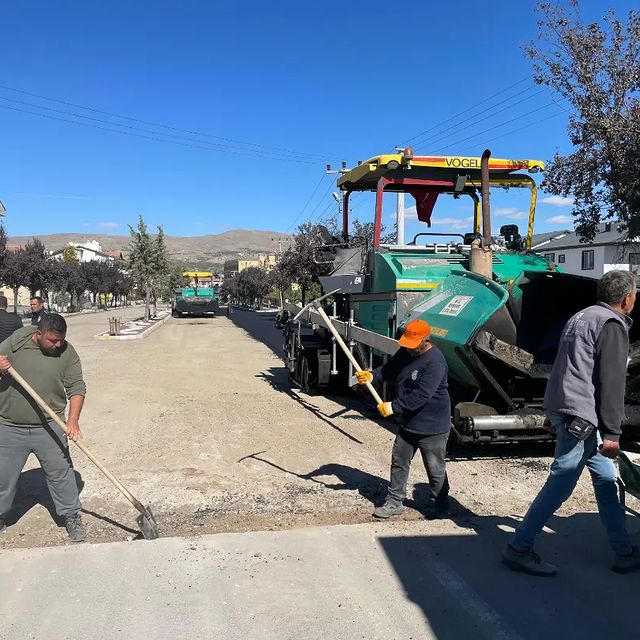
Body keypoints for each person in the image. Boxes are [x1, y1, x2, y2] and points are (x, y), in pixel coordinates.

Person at [503, 270, 640, 576]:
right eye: (635, 294)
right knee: (561, 483)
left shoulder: (581, 317)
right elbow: (612, 382)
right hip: (582, 416)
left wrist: (554, 411)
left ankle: (623, 550)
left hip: (567, 409)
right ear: (627, 298)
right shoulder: (612, 325)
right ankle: (519, 548)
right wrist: (613, 433)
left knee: (606, 480)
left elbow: (563, 365)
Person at [0, 313, 87, 542]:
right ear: (38, 335)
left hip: (49, 426)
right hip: (9, 425)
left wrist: (73, 420)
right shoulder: (17, 342)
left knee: (61, 473)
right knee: (3, 477)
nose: (58, 345)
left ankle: (71, 515)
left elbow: (77, 386)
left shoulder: (67, 352)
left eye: (61, 340)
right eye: (52, 341)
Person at [356, 319, 451, 519]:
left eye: (413, 345)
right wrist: (372, 376)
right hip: (408, 423)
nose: (409, 349)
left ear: (426, 340)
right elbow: (389, 369)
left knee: (435, 469)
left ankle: (441, 505)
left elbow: (421, 396)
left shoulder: (435, 362)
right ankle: (394, 501)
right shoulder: (407, 352)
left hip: (432, 426)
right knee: (399, 461)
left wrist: (393, 407)